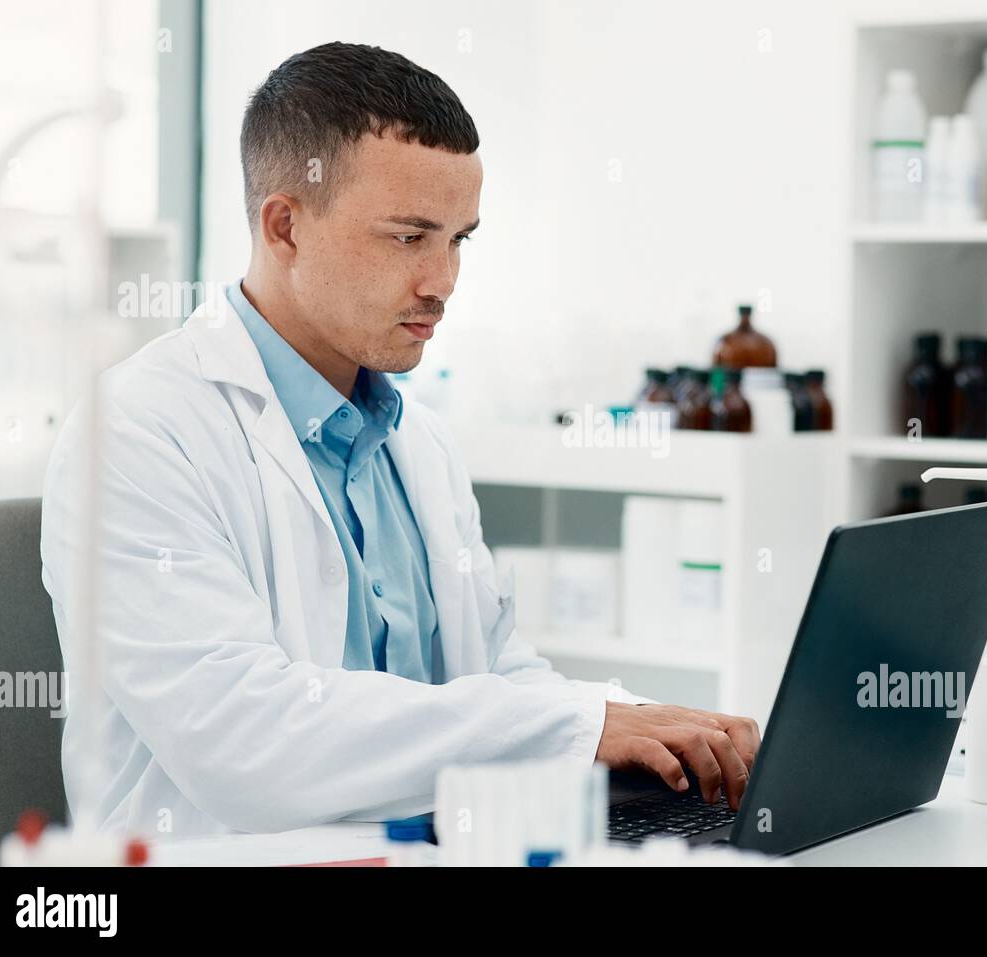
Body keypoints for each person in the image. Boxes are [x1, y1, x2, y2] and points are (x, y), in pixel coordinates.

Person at [40, 42, 758, 837]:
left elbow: (494, 673)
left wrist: (641, 724)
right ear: (285, 225)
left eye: (459, 240)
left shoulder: (418, 442)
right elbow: (248, 744)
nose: (443, 281)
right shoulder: (140, 434)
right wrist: (576, 726)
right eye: (410, 237)